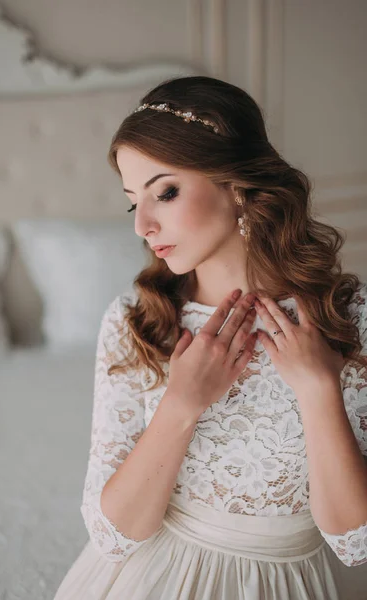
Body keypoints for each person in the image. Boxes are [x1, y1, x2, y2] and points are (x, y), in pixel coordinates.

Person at [54, 76, 367, 600]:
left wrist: (319, 391)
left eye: (166, 192)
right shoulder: (136, 322)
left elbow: (355, 545)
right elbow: (112, 536)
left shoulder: (349, 319)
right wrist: (182, 402)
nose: (143, 226)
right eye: (135, 202)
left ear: (237, 185)